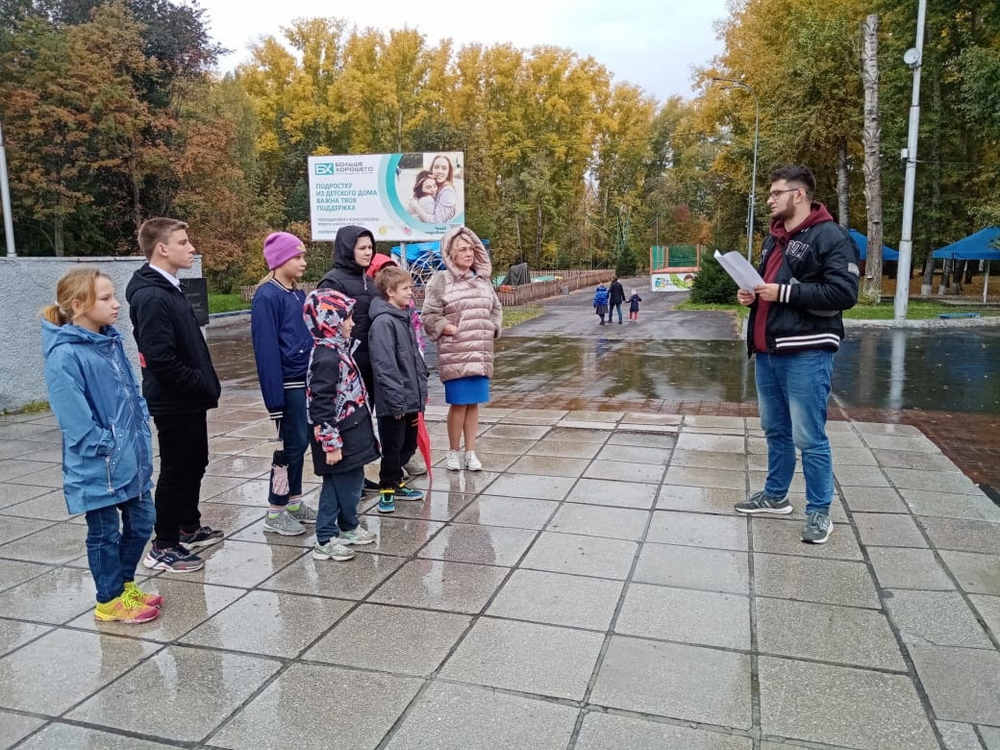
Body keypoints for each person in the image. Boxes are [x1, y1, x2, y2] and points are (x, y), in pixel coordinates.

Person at [734, 165, 860, 544]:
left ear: (799, 194)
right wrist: (752, 295)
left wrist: (783, 292)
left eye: (776, 193)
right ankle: (776, 496)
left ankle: (819, 512)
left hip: (806, 351)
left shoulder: (831, 236)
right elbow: (768, 287)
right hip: (768, 350)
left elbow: (843, 293)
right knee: (776, 430)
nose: (769, 200)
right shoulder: (774, 239)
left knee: (809, 436)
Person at [42, 267, 161, 623]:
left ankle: (123, 585)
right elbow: (74, 419)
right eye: (106, 298)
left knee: (143, 521)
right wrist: (106, 445)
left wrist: (139, 425)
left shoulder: (109, 341)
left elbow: (129, 393)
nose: (116, 304)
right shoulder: (65, 355)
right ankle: (108, 599)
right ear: (78, 305)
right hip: (100, 463)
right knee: (105, 532)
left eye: (113, 296)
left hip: (130, 455)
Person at [126, 217, 220, 573]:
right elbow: (160, 358)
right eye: (183, 242)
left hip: (187, 399)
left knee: (195, 462)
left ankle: (187, 525)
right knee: (176, 470)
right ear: (162, 248)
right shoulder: (152, 295)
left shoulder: (168, 287)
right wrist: (198, 382)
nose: (191, 248)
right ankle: (164, 545)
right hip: (174, 400)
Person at [251, 232, 319, 537]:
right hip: (287, 385)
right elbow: (266, 350)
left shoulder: (296, 294)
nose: (303, 262)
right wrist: (274, 399)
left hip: (303, 381)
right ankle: (275, 510)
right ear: (279, 260)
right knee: (288, 447)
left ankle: (294, 501)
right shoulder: (267, 296)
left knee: (300, 443)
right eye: (297, 256)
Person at [303, 289, 379, 561]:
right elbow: (320, 404)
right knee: (336, 485)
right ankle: (325, 538)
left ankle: (348, 526)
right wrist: (331, 444)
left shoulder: (338, 350)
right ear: (330, 322)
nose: (352, 323)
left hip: (351, 428)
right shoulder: (327, 357)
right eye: (346, 318)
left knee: (353, 480)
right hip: (336, 435)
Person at [422, 226, 502, 472]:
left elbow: (496, 308)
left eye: (471, 249)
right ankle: (453, 452)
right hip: (456, 353)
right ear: (451, 254)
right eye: (462, 250)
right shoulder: (441, 280)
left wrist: (492, 327)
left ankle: (470, 452)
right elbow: (429, 315)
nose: (468, 253)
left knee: (474, 404)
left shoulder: (482, 280)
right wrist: (447, 328)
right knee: (459, 404)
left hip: (480, 352)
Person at [317, 225, 380, 495]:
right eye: (362, 248)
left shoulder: (370, 282)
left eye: (370, 247)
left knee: (361, 424)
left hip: (369, 366)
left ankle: (357, 478)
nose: (368, 252)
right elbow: (325, 328)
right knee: (345, 425)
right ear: (347, 249)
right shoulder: (332, 282)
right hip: (345, 370)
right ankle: (344, 481)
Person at [368, 265, 430, 513]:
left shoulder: (404, 317)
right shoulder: (384, 322)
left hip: (410, 397)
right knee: (393, 446)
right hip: (394, 401)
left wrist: (421, 386)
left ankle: (396, 481)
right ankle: (387, 488)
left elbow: (414, 356)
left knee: (408, 445)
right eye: (405, 288)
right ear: (390, 292)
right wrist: (395, 402)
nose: (411, 292)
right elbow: (384, 365)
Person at [408, 154, 457, 223]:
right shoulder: (435, 186)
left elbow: (437, 222)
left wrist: (416, 207)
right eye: (436, 167)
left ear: (448, 172)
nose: (440, 171)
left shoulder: (448, 191)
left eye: (444, 168)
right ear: (432, 170)